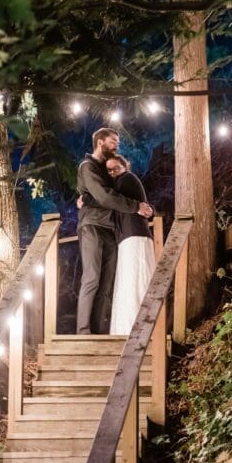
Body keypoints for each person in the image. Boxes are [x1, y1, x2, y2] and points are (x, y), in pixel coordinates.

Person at [76, 128, 153, 335]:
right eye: (113, 141)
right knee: (92, 278)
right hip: (92, 226)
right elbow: (105, 196)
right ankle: (83, 332)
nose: (116, 145)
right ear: (100, 142)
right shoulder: (88, 167)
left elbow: (110, 195)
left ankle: (100, 331)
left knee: (107, 283)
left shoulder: (107, 170)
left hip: (111, 230)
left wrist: (88, 200)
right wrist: (136, 206)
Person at [104, 155, 156, 336]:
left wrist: (86, 199)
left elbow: (108, 198)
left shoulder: (127, 179)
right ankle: (127, 329)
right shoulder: (122, 182)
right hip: (129, 237)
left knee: (136, 280)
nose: (112, 173)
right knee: (128, 282)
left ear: (125, 166)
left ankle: (140, 329)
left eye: (115, 168)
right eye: (108, 170)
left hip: (135, 236)